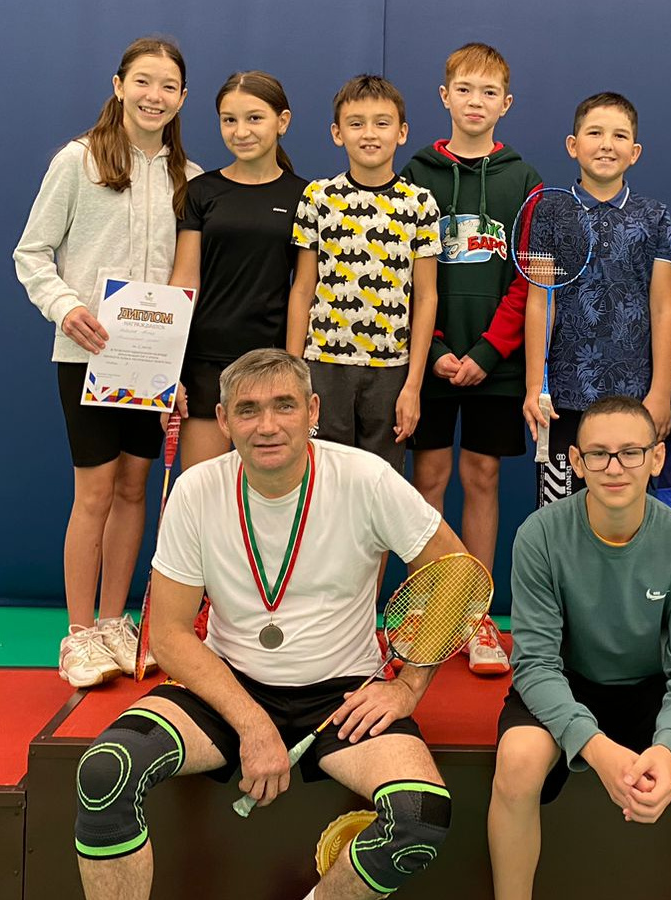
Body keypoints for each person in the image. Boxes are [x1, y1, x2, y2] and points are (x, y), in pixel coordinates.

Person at [73, 349, 465, 899]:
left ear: (313, 411)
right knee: (105, 772)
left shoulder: (367, 478)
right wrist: (253, 724)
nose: (267, 425)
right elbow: (169, 634)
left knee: (419, 818)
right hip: (227, 687)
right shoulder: (196, 489)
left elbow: (457, 577)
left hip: (341, 698)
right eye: (248, 409)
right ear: (223, 419)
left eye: (284, 406)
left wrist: (408, 687)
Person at [489, 396, 671, 900]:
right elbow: (534, 665)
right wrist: (596, 748)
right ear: (577, 462)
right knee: (516, 762)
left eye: (631, 452)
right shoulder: (539, 536)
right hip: (567, 682)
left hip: (654, 687)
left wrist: (668, 751)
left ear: (657, 458)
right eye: (598, 454)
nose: (614, 467)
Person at [13, 36, 201, 687]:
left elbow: (189, 279)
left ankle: (117, 621)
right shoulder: (78, 161)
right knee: (93, 490)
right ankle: (79, 634)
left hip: (153, 362)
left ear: (182, 98)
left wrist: (178, 363)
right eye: (143, 81)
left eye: (168, 86)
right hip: (87, 353)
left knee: (132, 487)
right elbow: (31, 254)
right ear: (119, 85)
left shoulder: (189, 177)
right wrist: (66, 307)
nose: (154, 96)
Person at [400, 43, 543, 676]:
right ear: (445, 96)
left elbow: (529, 280)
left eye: (489, 93)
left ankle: (475, 615)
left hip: (496, 365)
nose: (475, 102)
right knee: (428, 479)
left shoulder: (523, 180)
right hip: (427, 360)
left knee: (482, 477)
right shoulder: (415, 174)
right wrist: (433, 352)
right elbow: (403, 275)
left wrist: (488, 351)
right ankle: (429, 607)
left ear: (506, 104)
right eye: (464, 89)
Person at [522, 92, 671, 507]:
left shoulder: (654, 216)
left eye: (619, 136)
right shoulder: (549, 211)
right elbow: (541, 302)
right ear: (573, 145)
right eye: (595, 133)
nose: (607, 144)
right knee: (559, 513)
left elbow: (664, 309)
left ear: (635, 152)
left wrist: (660, 392)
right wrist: (535, 386)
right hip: (563, 397)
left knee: (625, 513)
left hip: (635, 397)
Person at [286, 75, 439, 474]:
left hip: (390, 370)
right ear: (337, 133)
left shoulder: (419, 204)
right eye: (356, 123)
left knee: (380, 483)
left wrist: (413, 385)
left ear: (401, 132)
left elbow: (426, 297)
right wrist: (293, 373)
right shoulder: (318, 198)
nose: (369, 134)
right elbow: (302, 288)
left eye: (381, 123)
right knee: (323, 478)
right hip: (323, 364)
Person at [167, 71, 308, 468]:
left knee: (269, 492)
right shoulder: (201, 191)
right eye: (229, 120)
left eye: (254, 118)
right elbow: (184, 283)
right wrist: (168, 368)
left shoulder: (305, 196)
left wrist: (292, 368)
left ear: (282, 121)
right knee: (200, 489)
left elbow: (304, 290)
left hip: (269, 363)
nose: (240, 131)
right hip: (204, 364)